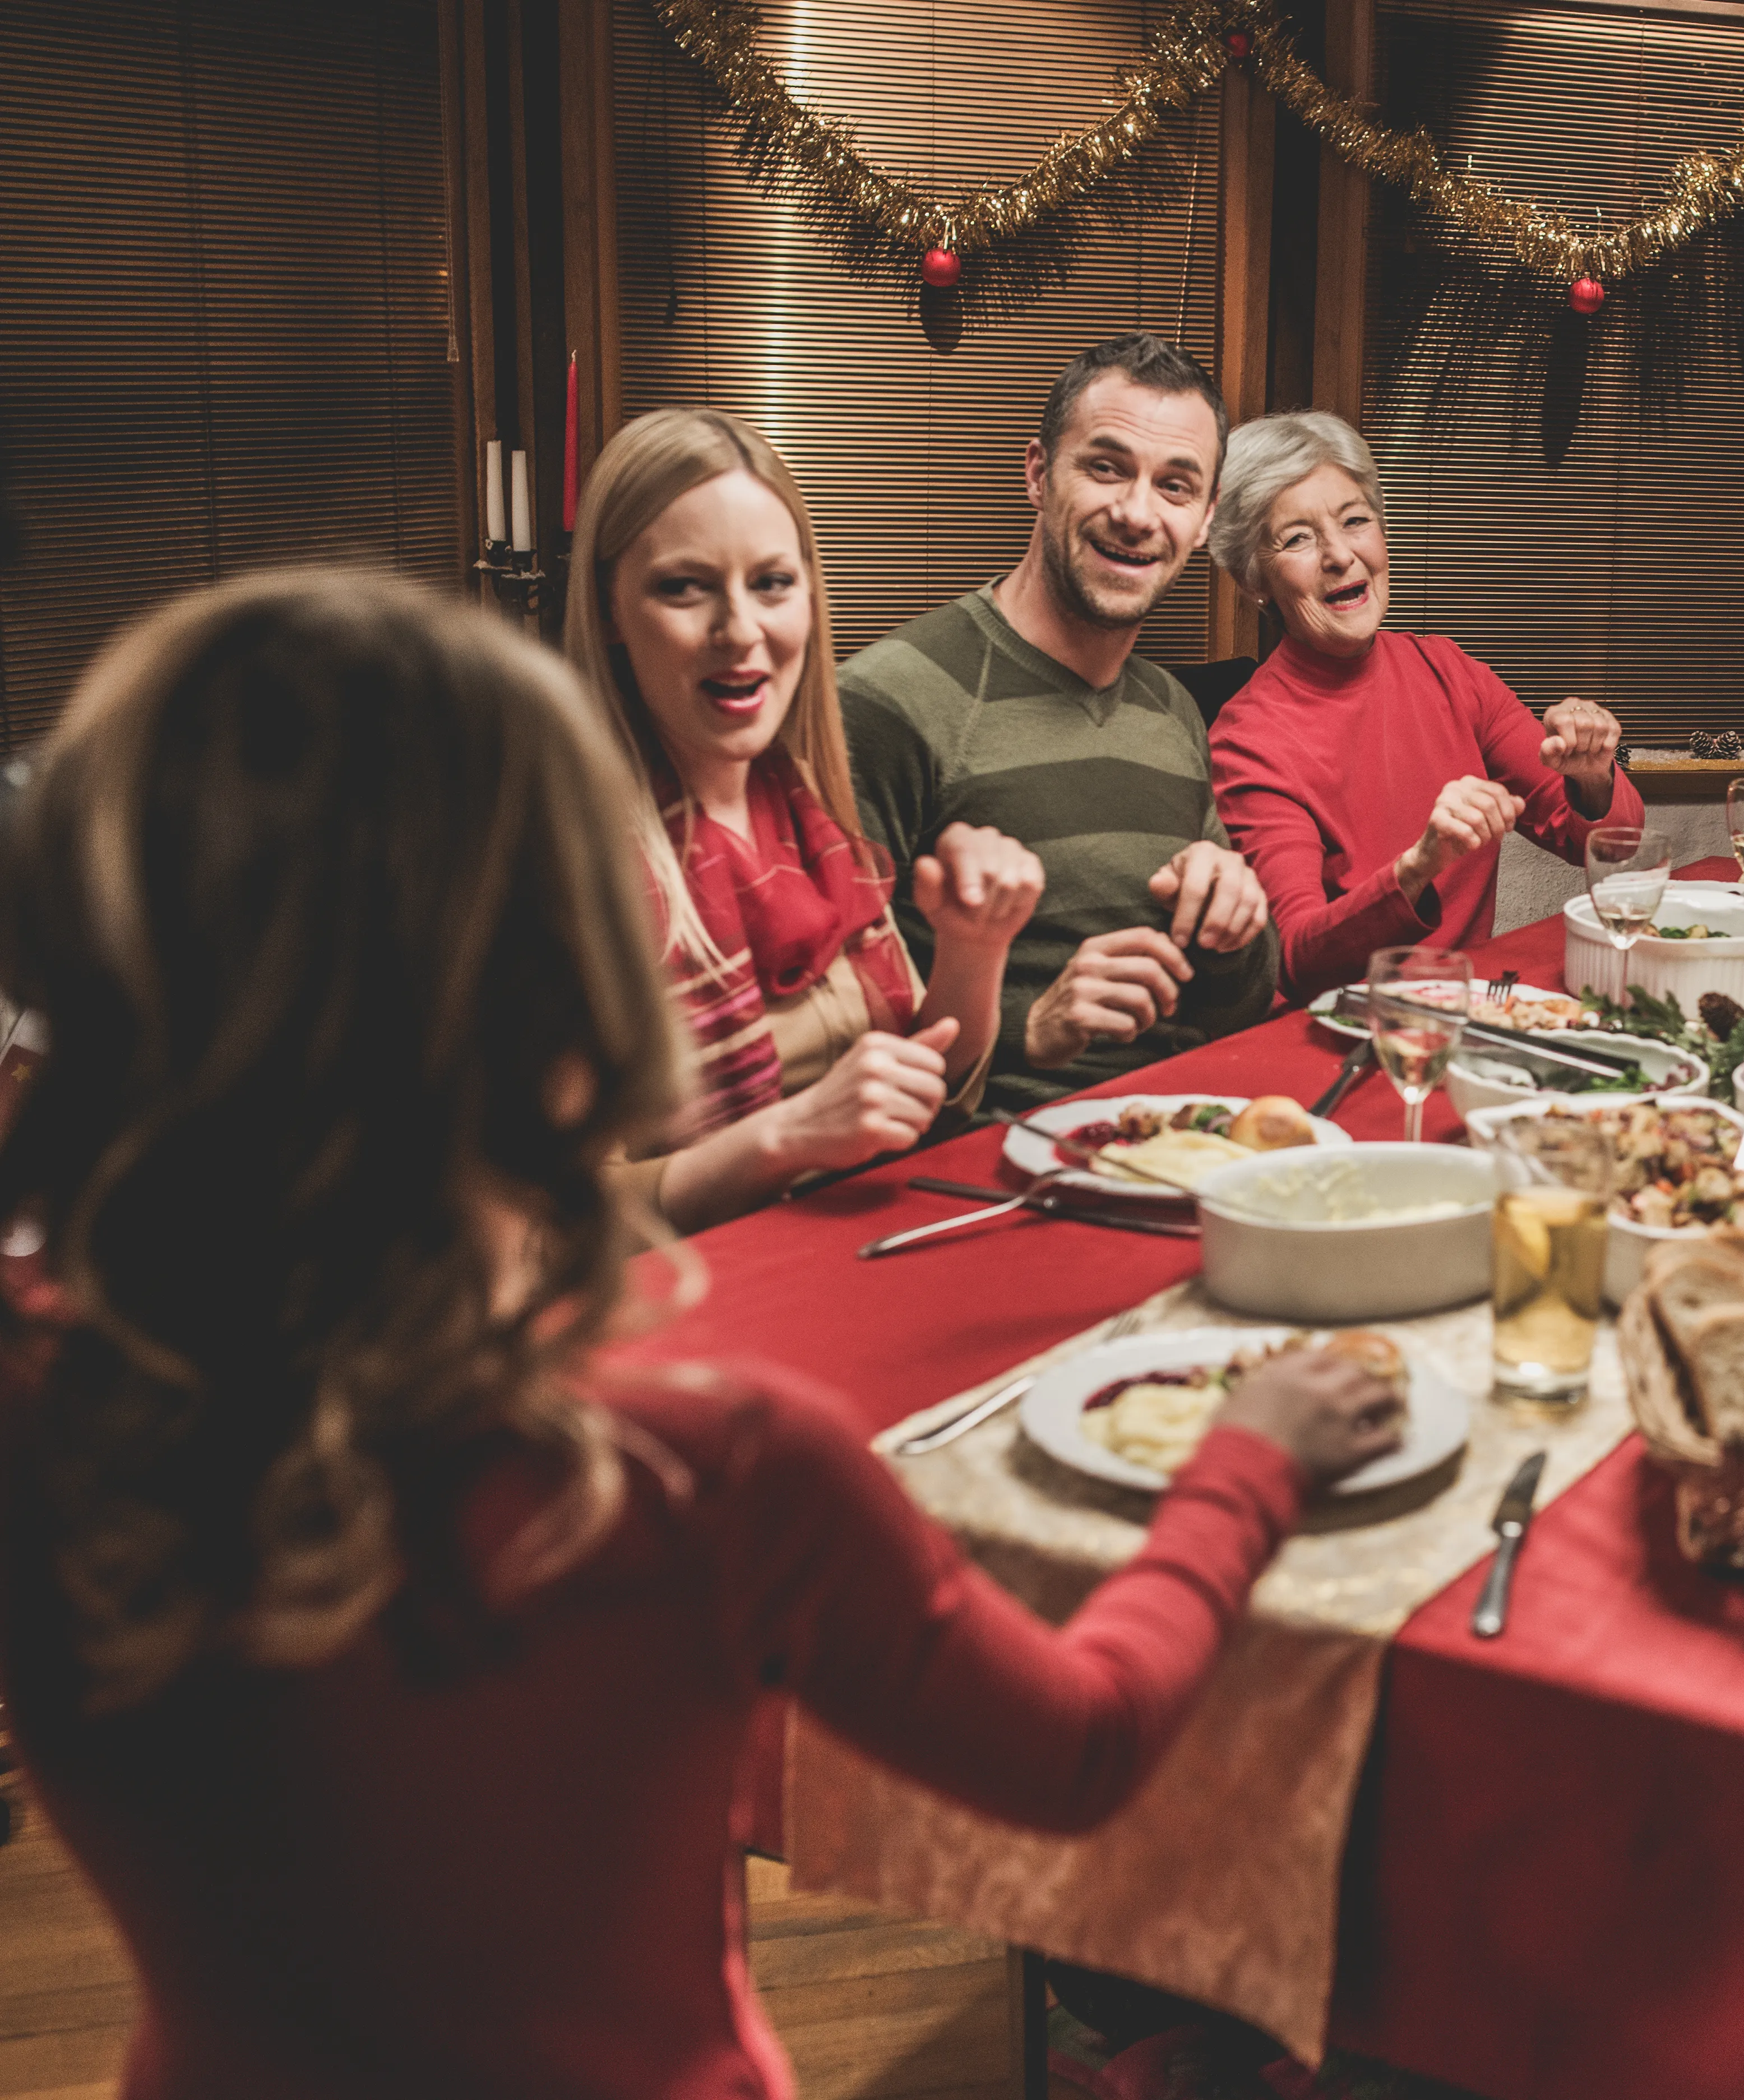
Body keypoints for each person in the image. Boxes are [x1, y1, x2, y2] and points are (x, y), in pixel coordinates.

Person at [0, 570, 1400, 2100]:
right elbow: (1080, 1746)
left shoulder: (52, 1404)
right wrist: (1248, 1463)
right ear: (574, 996)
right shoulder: (700, 1468)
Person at [560, 407, 1047, 1233]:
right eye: (684, 587)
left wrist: (975, 947)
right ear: (609, 609)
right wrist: (782, 1138)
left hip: (850, 1265)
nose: (740, 630)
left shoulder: (806, 811)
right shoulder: (562, 865)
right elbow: (544, 1218)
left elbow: (930, 1101)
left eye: (772, 583)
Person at [840, 333, 1276, 1114]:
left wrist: (1237, 932)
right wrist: (1028, 1026)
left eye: (1175, 487)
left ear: (1207, 521)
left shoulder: (1171, 708)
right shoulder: (890, 698)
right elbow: (822, 1025)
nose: (1137, 512)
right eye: (1105, 467)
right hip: (982, 1172)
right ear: (1039, 475)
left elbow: (1236, 1009)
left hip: (1174, 1140)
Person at [1202, 411, 1642, 995]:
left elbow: (1613, 845)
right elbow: (1297, 955)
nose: (1339, 555)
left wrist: (1591, 775)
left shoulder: (1449, 671)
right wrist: (1418, 868)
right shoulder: (1246, 741)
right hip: (1336, 1040)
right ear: (1256, 579)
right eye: (1298, 538)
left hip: (1467, 1014)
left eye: (1355, 521)